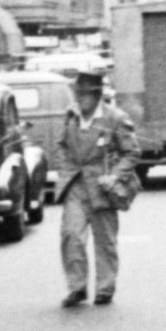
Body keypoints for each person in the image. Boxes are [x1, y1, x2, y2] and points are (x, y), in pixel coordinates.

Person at [55, 69, 140, 307]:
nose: (79, 99)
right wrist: (65, 168)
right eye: (77, 94)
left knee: (105, 240)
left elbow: (132, 152)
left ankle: (105, 288)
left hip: (103, 188)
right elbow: (62, 145)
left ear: (98, 95)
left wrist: (115, 176)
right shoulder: (71, 115)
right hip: (76, 185)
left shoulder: (116, 118)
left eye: (84, 95)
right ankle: (77, 287)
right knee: (71, 235)